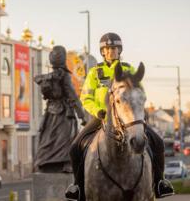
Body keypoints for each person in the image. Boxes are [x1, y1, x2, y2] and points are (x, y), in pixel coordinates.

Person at [65, 33, 174, 200]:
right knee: (75, 148)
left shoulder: (129, 69)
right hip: (102, 117)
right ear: (102, 52)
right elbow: (85, 98)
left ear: (119, 50)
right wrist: (98, 111)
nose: (110, 52)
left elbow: (139, 93)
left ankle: (160, 183)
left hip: (129, 118)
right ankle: (78, 188)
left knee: (158, 142)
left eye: (114, 49)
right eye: (107, 49)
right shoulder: (95, 72)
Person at [34, 45, 86, 173]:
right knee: (66, 139)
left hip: (50, 113)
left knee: (48, 139)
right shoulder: (64, 76)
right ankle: (66, 164)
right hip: (63, 114)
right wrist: (82, 115)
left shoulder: (47, 77)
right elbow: (72, 95)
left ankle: (43, 162)